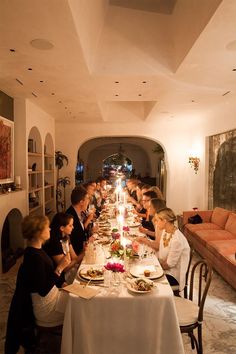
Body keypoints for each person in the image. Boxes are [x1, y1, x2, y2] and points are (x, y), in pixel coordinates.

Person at [139, 208, 190, 293]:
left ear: (165, 221)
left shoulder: (177, 240)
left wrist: (151, 268)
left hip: (172, 275)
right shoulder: (166, 231)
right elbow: (161, 249)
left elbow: (168, 265)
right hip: (163, 267)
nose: (155, 222)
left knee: (144, 279)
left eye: (157, 220)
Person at [44, 212, 82, 284]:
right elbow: (65, 268)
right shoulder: (55, 243)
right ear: (62, 228)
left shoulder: (66, 237)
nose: (73, 227)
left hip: (67, 272)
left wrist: (85, 249)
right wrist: (83, 254)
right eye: (70, 225)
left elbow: (74, 257)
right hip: (57, 279)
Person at [66, 186, 90, 256]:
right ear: (81, 202)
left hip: (83, 250)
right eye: (87, 199)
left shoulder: (80, 212)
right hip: (77, 256)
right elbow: (75, 241)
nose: (88, 201)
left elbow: (81, 233)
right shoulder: (70, 216)